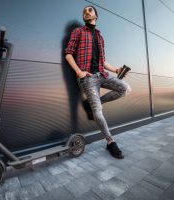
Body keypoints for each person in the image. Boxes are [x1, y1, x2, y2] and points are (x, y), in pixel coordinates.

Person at [65, 5, 131, 159]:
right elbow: (68, 54)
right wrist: (79, 72)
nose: (86, 12)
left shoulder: (100, 36)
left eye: (90, 10)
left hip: (102, 74)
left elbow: (103, 61)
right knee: (98, 112)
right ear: (83, 17)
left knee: (125, 89)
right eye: (84, 11)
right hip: (87, 78)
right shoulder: (78, 32)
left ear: (96, 15)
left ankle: (92, 103)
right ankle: (110, 142)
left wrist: (116, 70)